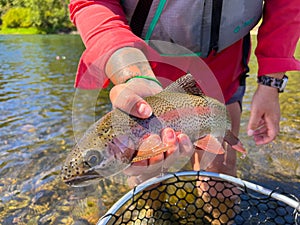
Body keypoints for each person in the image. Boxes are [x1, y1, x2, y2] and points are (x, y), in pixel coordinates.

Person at [68, 0, 300, 184]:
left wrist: (271, 82)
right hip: (144, 62)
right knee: (146, 179)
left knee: (219, 176)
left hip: (222, 66)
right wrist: (132, 73)